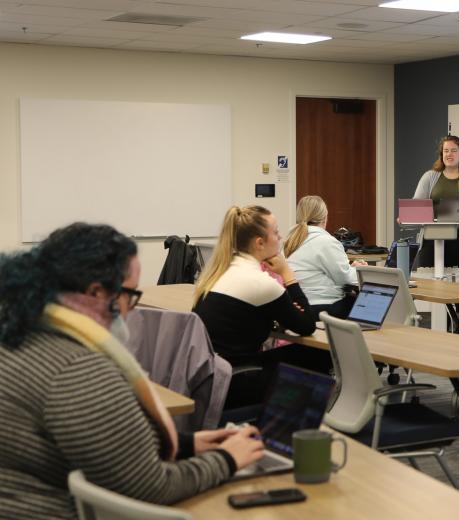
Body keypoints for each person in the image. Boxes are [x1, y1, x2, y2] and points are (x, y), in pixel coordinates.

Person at [0, 223, 264, 518]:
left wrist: (185, 445)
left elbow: (98, 442)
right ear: (96, 293)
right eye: (129, 295)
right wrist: (228, 459)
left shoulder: (20, 333)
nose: (131, 309)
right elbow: (151, 487)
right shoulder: (79, 369)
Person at [192, 205, 328, 377]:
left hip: (209, 374)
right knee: (318, 356)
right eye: (276, 232)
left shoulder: (218, 272)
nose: (280, 237)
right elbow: (307, 325)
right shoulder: (261, 283)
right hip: (236, 378)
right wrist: (287, 274)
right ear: (260, 243)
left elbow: (241, 318)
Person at [284, 195, 367, 320]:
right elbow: (344, 278)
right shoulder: (326, 242)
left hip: (297, 305)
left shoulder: (289, 240)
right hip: (322, 306)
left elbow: (316, 271)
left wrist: (350, 268)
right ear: (325, 218)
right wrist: (360, 270)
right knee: (367, 303)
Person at [411, 134, 459, 269]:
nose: (449, 154)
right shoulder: (429, 177)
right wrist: (407, 215)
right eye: (446, 151)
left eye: (454, 150)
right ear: (441, 154)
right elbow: (417, 206)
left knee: (454, 284)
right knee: (429, 283)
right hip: (430, 239)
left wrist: (445, 211)